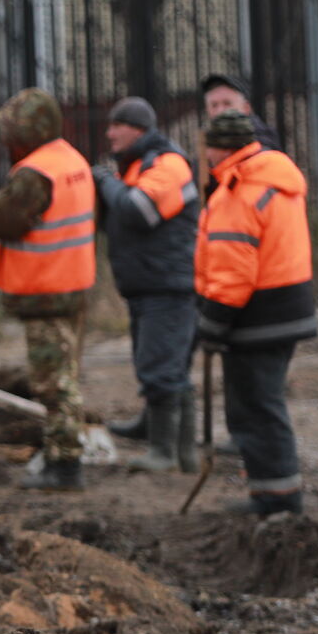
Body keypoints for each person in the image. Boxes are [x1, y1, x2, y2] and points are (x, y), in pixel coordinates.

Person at [195, 111, 317, 516]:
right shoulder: (276, 179)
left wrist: (212, 323)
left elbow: (233, 274)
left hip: (256, 318)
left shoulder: (239, 190)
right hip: (285, 309)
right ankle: (274, 493)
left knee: (255, 409)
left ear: (218, 147)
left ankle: (277, 501)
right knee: (263, 405)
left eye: (207, 146)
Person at [0, 89, 96, 491]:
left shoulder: (35, 173)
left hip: (46, 289)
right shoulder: (71, 160)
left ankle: (64, 464)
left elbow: (6, 219)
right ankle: (62, 455)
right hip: (70, 285)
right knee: (63, 373)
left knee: (53, 381)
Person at [92, 98, 201, 472]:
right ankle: (180, 451)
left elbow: (137, 211)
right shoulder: (138, 166)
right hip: (148, 284)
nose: (109, 134)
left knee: (162, 367)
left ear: (137, 128)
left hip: (168, 285)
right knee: (158, 364)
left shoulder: (167, 164)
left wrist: (106, 182)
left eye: (116, 126)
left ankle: (165, 452)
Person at [200, 73, 282, 154]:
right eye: (214, 105)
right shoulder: (206, 142)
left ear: (246, 108)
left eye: (227, 103)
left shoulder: (263, 143)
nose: (220, 111)